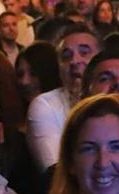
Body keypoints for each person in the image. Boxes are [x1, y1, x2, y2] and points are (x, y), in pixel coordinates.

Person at [29, 22, 99, 170]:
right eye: (66, 56)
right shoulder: (45, 105)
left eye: (84, 53)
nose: (74, 61)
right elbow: (54, 171)